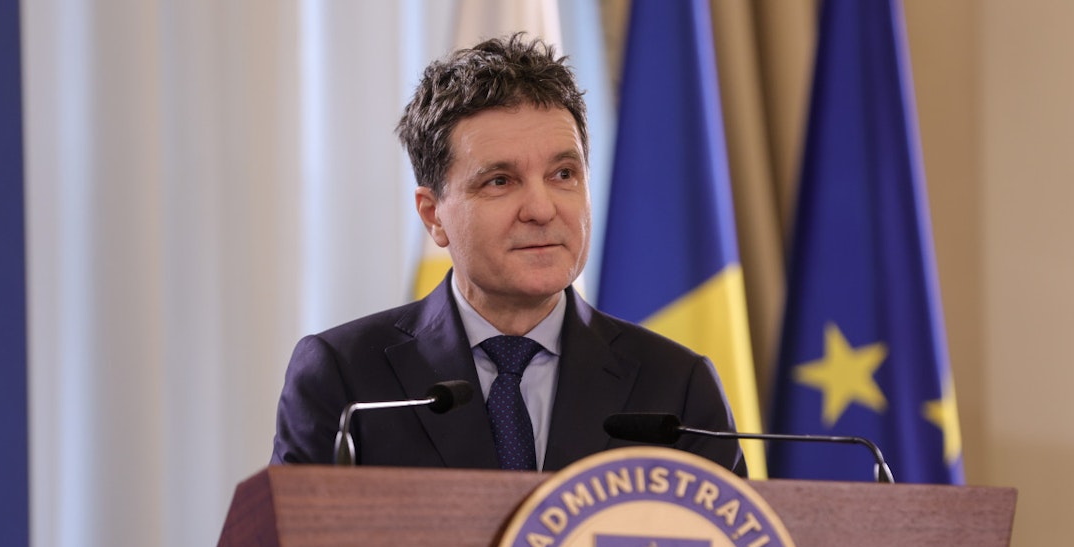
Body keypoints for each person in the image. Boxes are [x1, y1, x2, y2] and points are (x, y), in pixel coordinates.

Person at [271, 34, 745, 476]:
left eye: (563, 174)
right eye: (500, 181)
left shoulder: (676, 385)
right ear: (434, 216)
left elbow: (729, 540)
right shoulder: (345, 378)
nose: (541, 209)